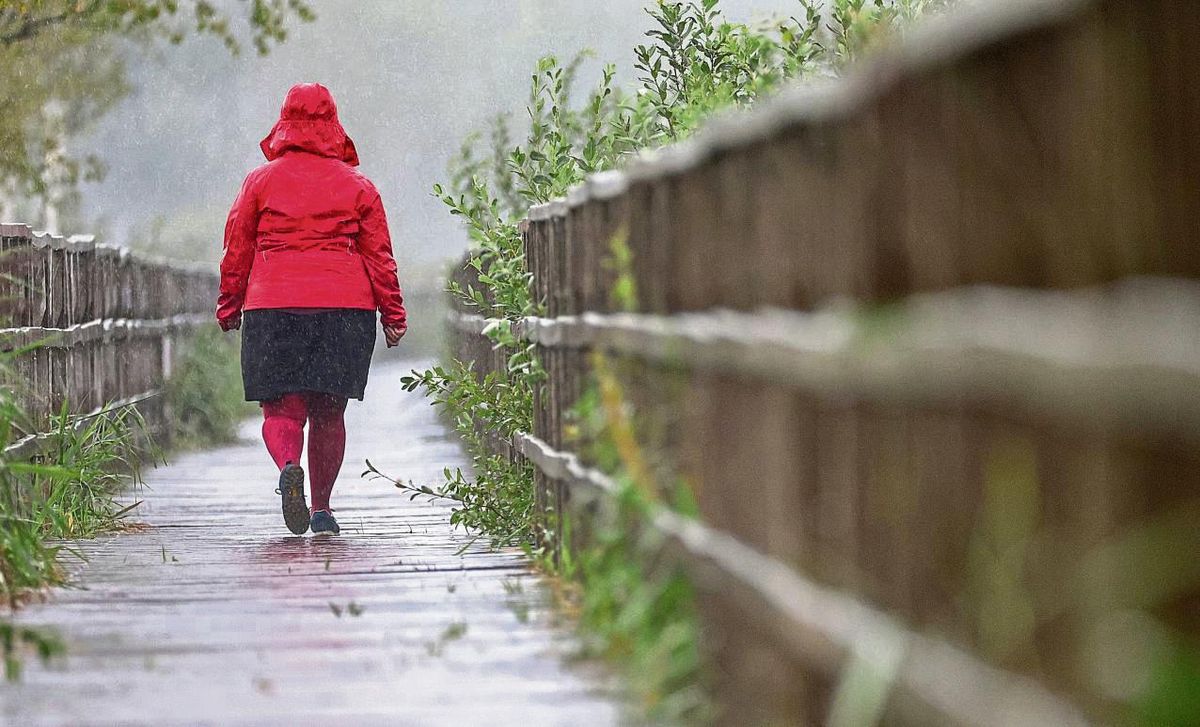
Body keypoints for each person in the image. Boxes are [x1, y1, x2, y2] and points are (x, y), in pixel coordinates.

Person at [216, 82, 406, 536]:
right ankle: (321, 509)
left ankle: (287, 466)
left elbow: (236, 247)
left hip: (274, 306)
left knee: (281, 410)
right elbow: (379, 256)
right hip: (343, 309)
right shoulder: (359, 188)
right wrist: (393, 315)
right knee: (328, 412)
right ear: (334, 124)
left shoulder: (259, 183)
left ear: (283, 123)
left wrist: (229, 304)